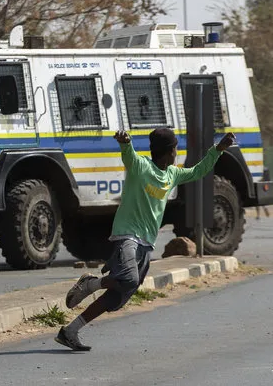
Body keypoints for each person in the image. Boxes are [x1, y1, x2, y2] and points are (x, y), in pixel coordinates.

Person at [54, 128, 236, 351]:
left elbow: (199, 171)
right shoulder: (140, 166)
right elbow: (128, 155)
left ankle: (70, 331)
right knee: (128, 280)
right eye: (175, 149)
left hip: (146, 245)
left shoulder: (172, 174)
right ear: (168, 152)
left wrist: (219, 149)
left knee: (117, 297)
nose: (177, 154)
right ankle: (91, 284)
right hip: (127, 237)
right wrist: (125, 142)